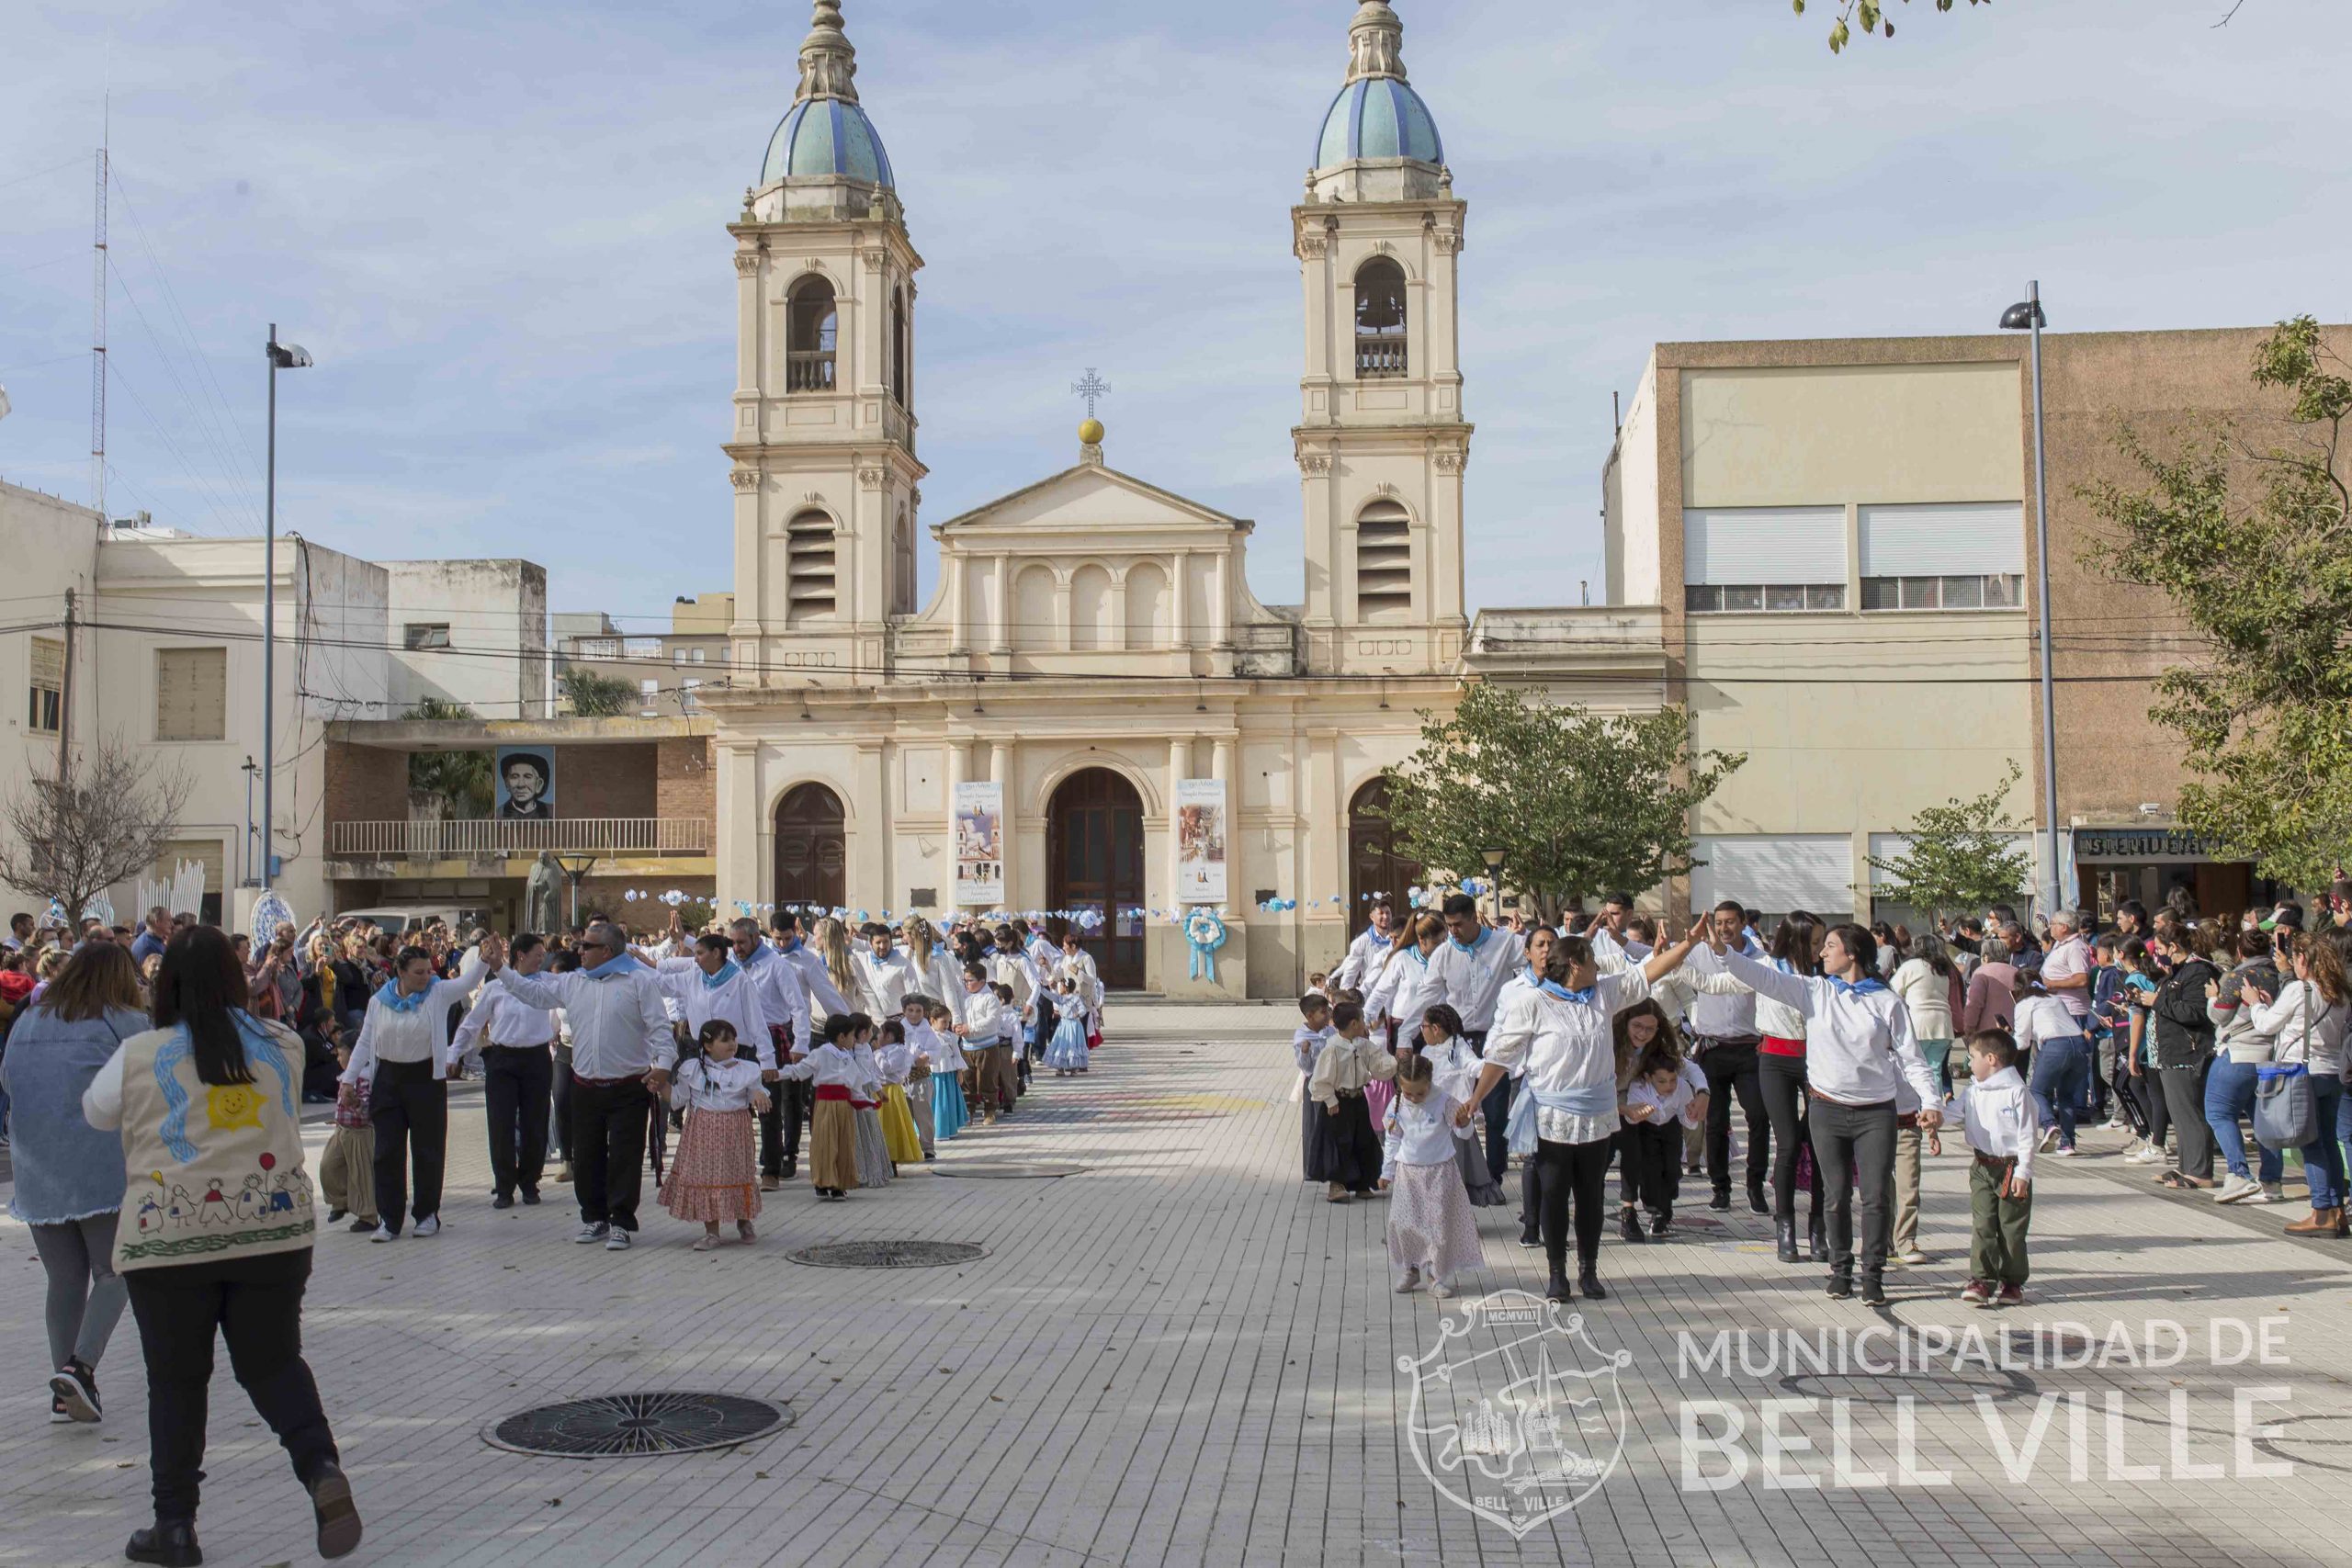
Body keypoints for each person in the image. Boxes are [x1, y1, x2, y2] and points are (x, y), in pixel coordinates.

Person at [83, 925, 360, 1565]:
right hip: (273, 1231)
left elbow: (96, 1111)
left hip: (169, 1239)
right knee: (274, 1364)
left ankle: (175, 1524)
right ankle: (320, 1466)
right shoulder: (283, 1042)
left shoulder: (141, 1052)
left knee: (176, 1381)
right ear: (237, 980)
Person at [1464, 923, 1704, 1303]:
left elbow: (1647, 973)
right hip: (1553, 1116)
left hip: (1597, 1115)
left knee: (1591, 1195)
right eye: (1593, 960)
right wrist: (1475, 1100)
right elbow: (1501, 1057)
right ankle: (1557, 1273)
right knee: (1554, 1193)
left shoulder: (1603, 994)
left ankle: (1588, 1271)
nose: (1599, 966)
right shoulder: (1533, 1002)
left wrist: (1688, 944)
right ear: (1576, 965)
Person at [1707, 921, 1942, 1306]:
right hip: (1827, 1109)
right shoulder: (1815, 990)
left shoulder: (1887, 1001)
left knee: (1876, 1197)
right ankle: (1841, 1270)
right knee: (1835, 1196)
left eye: (1830, 946)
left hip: (1875, 1113)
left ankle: (1873, 1274)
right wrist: (1723, 953)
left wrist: (1930, 1102)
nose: (1821, 953)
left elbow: (1913, 1059)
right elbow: (1763, 978)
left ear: (1852, 952)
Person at [0, 942, 148, 1424]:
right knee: (117, 1269)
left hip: (36, 1168)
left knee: (64, 1279)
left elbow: (7, 1081)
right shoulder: (123, 1020)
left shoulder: (29, 1020)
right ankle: (79, 1369)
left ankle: (64, 1396)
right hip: (100, 1166)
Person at [479, 924, 674, 1250]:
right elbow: (532, 993)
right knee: (586, 1155)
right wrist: (499, 967)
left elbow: (660, 1027)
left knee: (625, 1157)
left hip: (629, 1086)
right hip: (585, 1085)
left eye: (587, 946)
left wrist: (664, 1064)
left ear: (607, 951)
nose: (579, 951)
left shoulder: (639, 981)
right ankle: (594, 1218)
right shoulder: (574, 982)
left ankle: (621, 1222)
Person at [336, 941, 484, 1242]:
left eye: (429, 971)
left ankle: (427, 1214)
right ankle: (389, 1220)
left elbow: (467, 982)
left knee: (427, 1148)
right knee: (386, 1152)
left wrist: (485, 959)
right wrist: (348, 1081)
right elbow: (365, 1041)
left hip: (426, 1079)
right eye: (418, 972)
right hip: (388, 1080)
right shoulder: (379, 1001)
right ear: (400, 972)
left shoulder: (438, 992)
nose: (426, 977)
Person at [1414, 894, 1527, 1183]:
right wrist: (1407, 1037)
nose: (1453, 931)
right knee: (1456, 1105)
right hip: (1458, 1040)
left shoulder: (1504, 944)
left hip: (1494, 1038)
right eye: (1449, 925)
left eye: (1459, 924)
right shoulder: (1443, 954)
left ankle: (1494, 1173)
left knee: (1495, 1110)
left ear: (1474, 918)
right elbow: (1425, 996)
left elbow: (1533, 966)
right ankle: (1457, 1170)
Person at [2246, 929, 2351, 1236]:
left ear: (2303, 958)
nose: (2293, 964)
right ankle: (2337, 1210)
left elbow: (2266, 1025)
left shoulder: (2299, 989)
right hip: (2331, 1072)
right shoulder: (2340, 993)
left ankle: (2321, 1213)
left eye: (2294, 958)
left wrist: (2255, 1004)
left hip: (2303, 1074)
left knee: (2311, 1143)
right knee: (2329, 1142)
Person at [449, 931, 560, 1209]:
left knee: (535, 1123)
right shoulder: (494, 988)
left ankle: (530, 1182)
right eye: (537, 955)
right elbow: (472, 1024)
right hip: (502, 1060)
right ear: (520, 955)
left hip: (536, 1059)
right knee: (501, 1124)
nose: (542, 960)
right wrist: (454, 1054)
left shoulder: (546, 984)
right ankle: (504, 1186)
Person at [1685, 900, 1769, 1214]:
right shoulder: (1700, 953)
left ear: (1743, 923)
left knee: (1759, 1116)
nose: (1723, 928)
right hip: (1714, 1049)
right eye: (1718, 923)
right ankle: (1720, 1187)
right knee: (1716, 1122)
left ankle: (1755, 1185)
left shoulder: (1760, 958)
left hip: (1751, 1049)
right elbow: (1671, 964)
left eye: (1730, 922)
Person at [661, 1020, 769, 1249]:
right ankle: (712, 1232)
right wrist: (660, 1086)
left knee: (738, 1174)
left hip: (735, 1132)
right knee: (707, 1179)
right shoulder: (692, 1069)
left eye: (734, 1039)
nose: (732, 1044)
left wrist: (760, 1094)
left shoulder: (747, 1069)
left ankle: (744, 1220)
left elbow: (755, 1092)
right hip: (703, 1132)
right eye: (725, 1040)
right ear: (708, 1046)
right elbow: (678, 1099)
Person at [1381, 1053, 1482, 1298]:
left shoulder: (1444, 1101)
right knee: (1405, 1224)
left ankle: (1435, 1276)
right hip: (1408, 1173)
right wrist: (1387, 1171)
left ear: (1430, 1083)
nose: (1415, 1098)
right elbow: (1393, 1138)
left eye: (1420, 1093)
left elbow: (1464, 1134)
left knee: (1437, 1226)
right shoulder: (1397, 1104)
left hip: (1439, 1171)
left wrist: (1464, 1122)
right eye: (1409, 1093)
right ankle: (1411, 1267)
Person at [1954, 1026, 2037, 1308]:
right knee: (1983, 1223)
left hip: (2011, 1168)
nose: (1969, 1063)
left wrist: (2024, 1172)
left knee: (2011, 1228)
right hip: (1981, 1166)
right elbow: (1954, 1112)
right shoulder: (1973, 1091)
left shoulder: (2017, 1092)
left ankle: (2012, 1283)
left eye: (1972, 1057)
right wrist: (1932, 1115)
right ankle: (1981, 1280)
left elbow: (2027, 1136)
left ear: (1991, 1059)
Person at [2203, 925, 2285, 1204]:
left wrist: (2212, 996)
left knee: (2218, 1112)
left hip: (2238, 1053)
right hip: (2269, 1055)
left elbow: (2219, 1016)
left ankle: (2239, 1174)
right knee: (2263, 1121)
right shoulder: (2280, 976)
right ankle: (2272, 1182)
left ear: (2239, 951)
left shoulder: (2238, 977)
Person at [2147, 912, 2222, 1191]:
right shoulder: (2178, 971)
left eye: (2160, 949)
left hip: (2188, 1053)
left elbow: (2195, 1012)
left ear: (2174, 947)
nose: (2157, 954)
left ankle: (2200, 1171)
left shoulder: (2198, 971)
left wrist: (2157, 1002)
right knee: (2179, 1114)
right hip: (2170, 1052)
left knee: (2190, 1112)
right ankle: (2186, 1165)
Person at [771, 1012, 873, 1199]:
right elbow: (800, 1070)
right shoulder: (820, 1054)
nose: (853, 1040)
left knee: (843, 1142)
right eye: (851, 1035)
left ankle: (838, 1183)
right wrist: (777, 1074)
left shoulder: (848, 1058)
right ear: (841, 1037)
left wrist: (867, 1103)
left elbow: (855, 1085)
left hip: (844, 1106)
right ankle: (822, 1182)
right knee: (825, 1142)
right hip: (825, 1104)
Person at [1617, 1034, 1708, 1240]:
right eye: (1662, 1081)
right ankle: (1658, 1214)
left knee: (1672, 1169)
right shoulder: (1638, 1088)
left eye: (1672, 1080)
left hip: (1670, 1128)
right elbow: (1631, 1117)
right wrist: (1639, 1114)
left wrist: (1692, 1116)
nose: (1669, 1086)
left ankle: (1665, 1207)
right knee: (1650, 1170)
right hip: (1646, 1128)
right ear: (1648, 1078)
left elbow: (1686, 1119)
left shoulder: (1682, 1088)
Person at [1307, 1000, 1396, 1202]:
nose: (1365, 1023)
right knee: (1339, 1142)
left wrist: (1394, 1063)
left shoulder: (1364, 1046)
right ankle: (1337, 1184)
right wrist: (1330, 1100)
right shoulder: (1332, 1049)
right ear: (1354, 1023)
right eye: (1363, 1019)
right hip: (1339, 1102)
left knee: (1363, 1140)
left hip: (1359, 1099)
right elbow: (1320, 1079)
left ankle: (1362, 1183)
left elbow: (1379, 1066)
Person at [2012, 974, 2091, 1156]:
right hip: (2079, 1044)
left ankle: (2049, 1125)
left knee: (2037, 1091)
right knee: (2066, 1095)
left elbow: (2022, 1043)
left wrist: (2007, 1039)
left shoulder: (2024, 1004)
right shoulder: (2055, 999)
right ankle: (2068, 1143)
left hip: (2055, 1045)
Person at [1890, 931, 1962, 1101]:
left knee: (1914, 1069)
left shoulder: (1911, 966)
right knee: (1934, 1070)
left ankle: (1916, 1108)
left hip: (1918, 1024)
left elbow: (1893, 991)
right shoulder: (1942, 971)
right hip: (1943, 1026)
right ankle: (1933, 1106)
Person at [873, 1017, 927, 1164]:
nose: (877, 1036)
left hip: (891, 1091)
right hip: (879, 1089)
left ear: (889, 1036)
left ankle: (892, 1158)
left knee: (891, 1124)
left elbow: (886, 1067)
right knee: (881, 1124)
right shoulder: (886, 1050)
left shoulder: (899, 1051)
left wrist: (877, 1053)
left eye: (880, 1033)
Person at [1044, 977, 1093, 1076]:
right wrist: (1040, 988)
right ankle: (1060, 1067)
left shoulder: (1076, 998)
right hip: (1063, 1025)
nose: (1059, 988)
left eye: (1061, 986)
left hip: (1073, 1025)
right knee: (1061, 1045)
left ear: (1066, 988)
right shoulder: (1060, 998)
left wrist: (1077, 1014)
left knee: (1072, 1045)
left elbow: (1083, 1009)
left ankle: (1073, 1067)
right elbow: (1049, 995)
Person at [496, 751, 553, 819]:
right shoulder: (498, 814)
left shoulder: (551, 811)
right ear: (507, 783)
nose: (521, 785)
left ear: (539, 784)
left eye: (527, 777)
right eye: (514, 777)